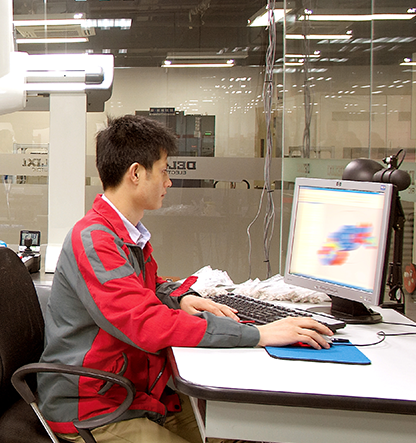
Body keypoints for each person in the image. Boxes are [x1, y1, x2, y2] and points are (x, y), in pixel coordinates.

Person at [36, 115, 333, 443]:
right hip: (92, 405)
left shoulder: (125, 235)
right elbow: (145, 322)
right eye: (164, 171)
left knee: (236, 430)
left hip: (132, 391)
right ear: (136, 173)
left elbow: (147, 289)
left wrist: (181, 298)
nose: (168, 182)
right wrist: (258, 334)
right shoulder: (96, 241)